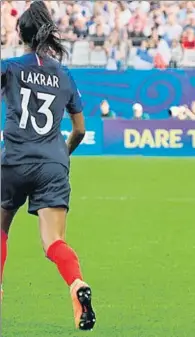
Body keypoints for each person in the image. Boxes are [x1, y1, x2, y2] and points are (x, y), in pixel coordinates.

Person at [0, 1, 96, 330]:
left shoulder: (10, 67)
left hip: (14, 160)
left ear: (20, 35)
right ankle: (77, 284)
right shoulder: (64, 73)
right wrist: (63, 154)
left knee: (0, 230)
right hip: (53, 164)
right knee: (53, 241)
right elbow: (80, 129)